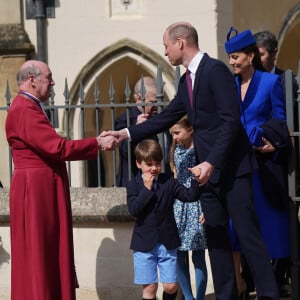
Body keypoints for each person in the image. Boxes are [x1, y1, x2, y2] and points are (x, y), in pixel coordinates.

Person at [102, 22, 279, 299]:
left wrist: (211, 163)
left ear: (180, 42)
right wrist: (124, 133)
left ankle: (269, 295)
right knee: (216, 239)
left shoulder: (216, 71)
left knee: (248, 237)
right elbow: (165, 118)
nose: (165, 52)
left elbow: (230, 122)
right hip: (206, 173)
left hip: (232, 170)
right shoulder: (186, 81)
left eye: (166, 46)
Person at [5, 60, 117, 300]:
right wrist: (97, 142)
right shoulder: (24, 109)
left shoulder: (29, 107)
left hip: (41, 187)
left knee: (47, 251)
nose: (53, 82)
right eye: (49, 77)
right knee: (39, 254)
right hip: (36, 192)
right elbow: (56, 147)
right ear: (32, 80)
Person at [225, 27, 292, 298]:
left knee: (263, 230)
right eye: (229, 57)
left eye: (236, 56)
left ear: (251, 56)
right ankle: (242, 283)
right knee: (235, 230)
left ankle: (269, 285)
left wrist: (272, 143)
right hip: (233, 165)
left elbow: (281, 121)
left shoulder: (269, 83)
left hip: (260, 166)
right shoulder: (228, 86)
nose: (231, 62)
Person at [126, 139, 202, 300]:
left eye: (157, 163)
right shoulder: (134, 185)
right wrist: (146, 189)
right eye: (149, 164)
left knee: (170, 286)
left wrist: (196, 179)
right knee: (150, 288)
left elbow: (189, 195)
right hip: (144, 244)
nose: (154, 168)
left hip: (167, 242)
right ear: (139, 164)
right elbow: (134, 210)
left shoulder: (168, 181)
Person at [253, 29, 293, 297]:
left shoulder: (285, 80)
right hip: (251, 161)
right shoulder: (245, 81)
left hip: (278, 162)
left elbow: (288, 122)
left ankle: (280, 278)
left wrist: (277, 143)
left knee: (281, 226)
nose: (258, 58)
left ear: (273, 53)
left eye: (262, 53)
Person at [169, 115, 207, 300]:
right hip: (179, 206)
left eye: (177, 132)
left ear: (190, 129)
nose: (174, 137)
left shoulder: (201, 149)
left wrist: (206, 208)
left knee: (198, 256)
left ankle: (199, 297)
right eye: (172, 133)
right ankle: (188, 297)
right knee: (179, 255)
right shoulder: (176, 149)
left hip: (197, 206)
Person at [115, 76, 171, 187]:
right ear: (139, 98)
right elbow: (125, 151)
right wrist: (136, 129)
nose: (157, 106)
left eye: (159, 101)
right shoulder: (125, 119)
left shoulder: (164, 116)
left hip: (163, 182)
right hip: (135, 182)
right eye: (152, 102)